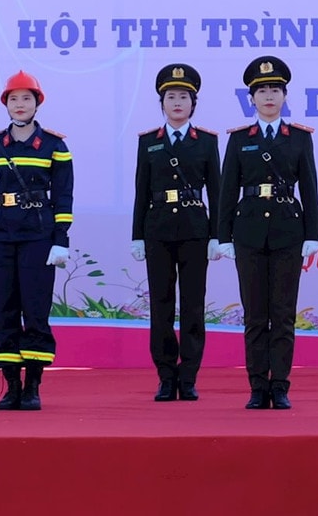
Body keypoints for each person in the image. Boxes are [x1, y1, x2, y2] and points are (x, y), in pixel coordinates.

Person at [217, 55, 318, 410]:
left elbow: (309, 188)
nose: (269, 97)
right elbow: (226, 191)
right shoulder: (238, 140)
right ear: (251, 98)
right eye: (262, 90)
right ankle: (257, 386)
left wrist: (312, 234)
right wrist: (224, 236)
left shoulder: (298, 138)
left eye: (275, 90)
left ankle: (281, 384)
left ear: (284, 96)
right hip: (248, 232)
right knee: (254, 314)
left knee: (283, 312)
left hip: (287, 232)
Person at [0, 71, 73, 411]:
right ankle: (11, 385)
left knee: (36, 310)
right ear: (6, 104)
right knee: (2, 309)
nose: (20, 104)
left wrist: (60, 240)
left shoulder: (55, 146)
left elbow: (64, 198)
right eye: (14, 99)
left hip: (38, 238)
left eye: (27, 98)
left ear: (37, 103)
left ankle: (33, 387)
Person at [131, 63, 220, 403]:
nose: (177, 102)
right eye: (171, 97)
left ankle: (189, 376)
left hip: (196, 231)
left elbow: (217, 190)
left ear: (193, 103)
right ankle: (166, 376)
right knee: (162, 306)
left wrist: (217, 235)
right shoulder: (149, 142)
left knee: (194, 306)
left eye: (184, 96)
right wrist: (137, 235)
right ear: (162, 103)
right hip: (158, 232)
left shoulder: (207, 142)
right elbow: (141, 191)